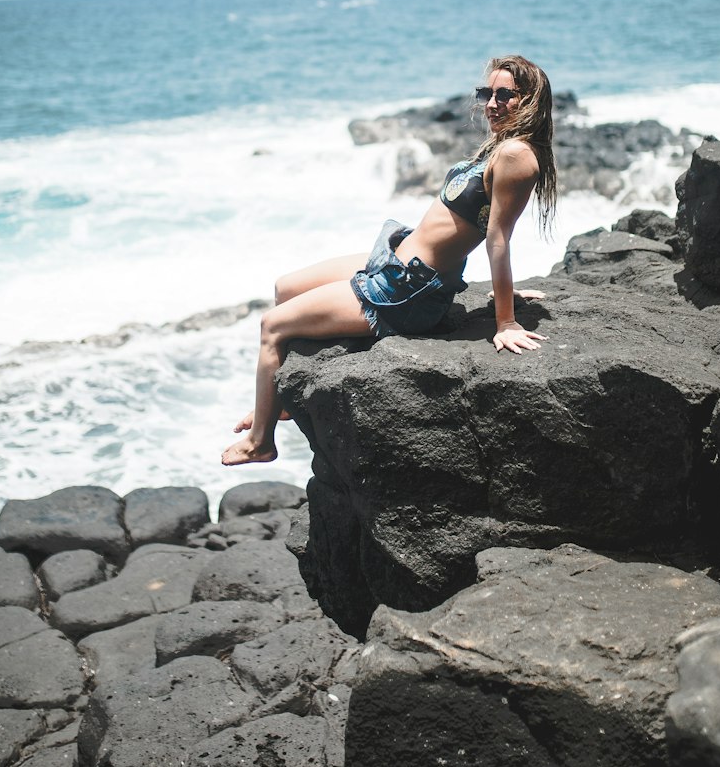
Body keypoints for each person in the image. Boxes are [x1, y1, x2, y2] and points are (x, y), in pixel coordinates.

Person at [221, 54, 557, 466]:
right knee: (285, 287)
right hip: (394, 260)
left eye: (504, 94)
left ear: (530, 100)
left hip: (405, 290)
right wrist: (501, 292)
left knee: (273, 326)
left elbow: (497, 237)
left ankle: (261, 442)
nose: (491, 103)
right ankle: (281, 400)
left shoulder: (516, 156)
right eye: (486, 92)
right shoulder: (502, 147)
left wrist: (504, 320)